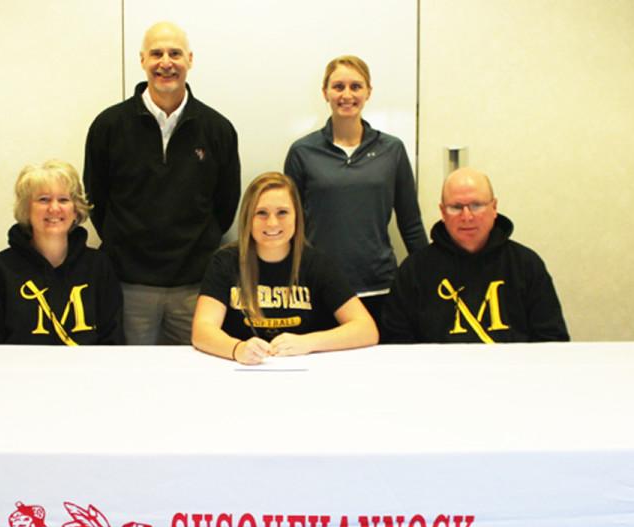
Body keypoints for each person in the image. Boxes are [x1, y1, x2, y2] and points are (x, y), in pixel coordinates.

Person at [84, 21, 240, 345]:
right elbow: (96, 199)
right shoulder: (108, 126)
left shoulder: (218, 130)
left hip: (195, 287)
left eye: (175, 53)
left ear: (190, 60)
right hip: (128, 287)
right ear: (142, 60)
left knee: (192, 380)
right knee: (131, 380)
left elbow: (226, 205)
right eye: (156, 53)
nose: (165, 62)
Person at [284, 55, 426, 325]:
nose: (346, 95)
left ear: (368, 92)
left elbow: (410, 223)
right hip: (317, 286)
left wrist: (429, 275)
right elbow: (289, 224)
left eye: (356, 86)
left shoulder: (392, 150)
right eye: (338, 87)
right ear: (325, 92)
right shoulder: (302, 152)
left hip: (379, 285)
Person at [192, 171, 378, 365]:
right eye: (261, 213)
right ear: (248, 217)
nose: (272, 223)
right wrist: (237, 349)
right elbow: (202, 330)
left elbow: (366, 329)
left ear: (297, 216)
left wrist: (309, 342)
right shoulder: (225, 262)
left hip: (304, 371)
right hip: (243, 371)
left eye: (282, 212)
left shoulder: (317, 264)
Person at [381, 168, 569, 343]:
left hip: (512, 374)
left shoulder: (526, 264)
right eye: (455, 207)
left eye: (477, 205)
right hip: (439, 375)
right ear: (442, 212)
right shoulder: (414, 270)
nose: (467, 216)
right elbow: (397, 344)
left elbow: (552, 341)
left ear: (494, 207)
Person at [0, 160, 124, 345]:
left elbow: (113, 340)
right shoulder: (0, 270)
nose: (54, 208)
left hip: (85, 373)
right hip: (17, 372)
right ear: (27, 209)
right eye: (43, 199)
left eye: (63, 200)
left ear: (75, 210)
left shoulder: (98, 267)